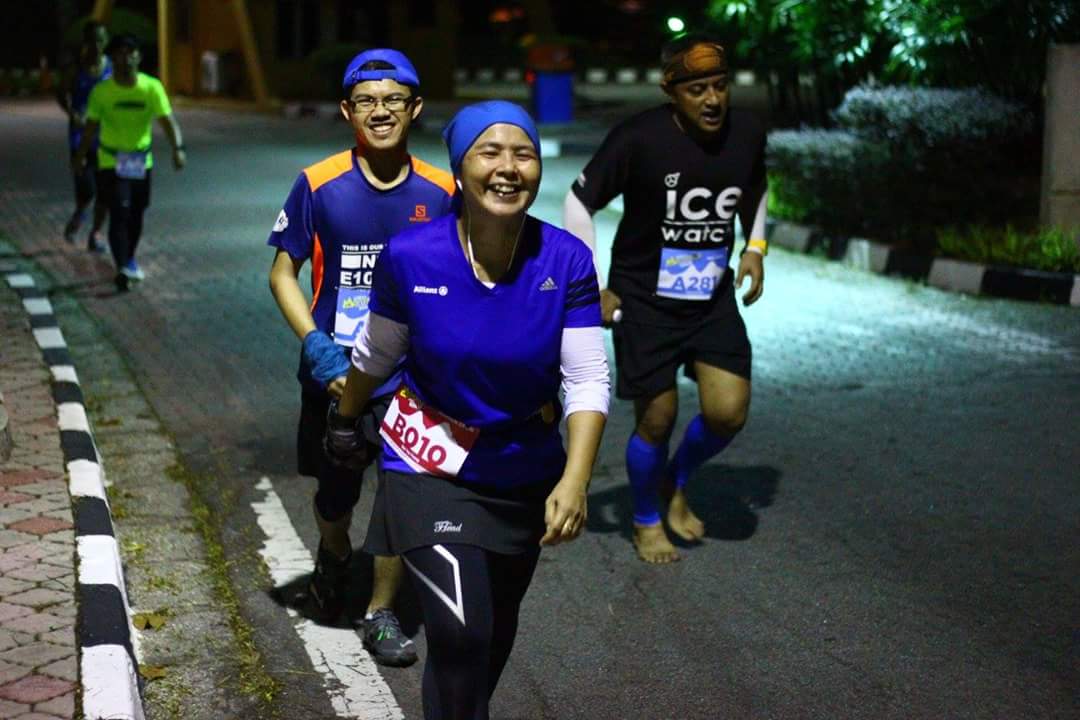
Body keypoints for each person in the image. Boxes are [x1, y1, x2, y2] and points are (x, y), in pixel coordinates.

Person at [326, 101, 609, 719]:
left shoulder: (566, 260)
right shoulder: (411, 254)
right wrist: (345, 418)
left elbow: (587, 377)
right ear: (460, 168)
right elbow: (377, 353)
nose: (508, 168)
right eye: (490, 152)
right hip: (430, 461)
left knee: (491, 636)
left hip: (521, 468)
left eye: (523, 153)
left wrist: (576, 478)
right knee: (460, 632)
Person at [268, 49, 455, 667]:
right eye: (366, 101)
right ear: (347, 111)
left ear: (414, 108)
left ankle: (379, 612)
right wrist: (318, 349)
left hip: (409, 379)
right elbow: (282, 274)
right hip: (335, 377)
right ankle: (335, 554)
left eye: (393, 100)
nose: (380, 111)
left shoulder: (443, 191)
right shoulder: (318, 183)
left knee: (401, 496)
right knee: (335, 499)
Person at [563, 33, 768, 564]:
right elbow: (579, 202)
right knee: (657, 418)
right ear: (670, 92)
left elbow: (755, 185)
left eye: (720, 86)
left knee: (728, 412)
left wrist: (756, 246)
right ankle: (645, 518)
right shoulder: (638, 139)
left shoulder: (746, 132)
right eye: (697, 89)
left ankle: (674, 479)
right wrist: (592, 286)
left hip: (712, 299)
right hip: (643, 301)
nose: (712, 99)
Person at [72, 33, 186, 292]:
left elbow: (168, 121)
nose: (125, 58)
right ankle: (122, 265)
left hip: (140, 161)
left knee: (136, 212)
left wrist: (178, 149)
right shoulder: (102, 92)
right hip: (110, 161)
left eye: (130, 53)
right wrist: (80, 156)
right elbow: (90, 127)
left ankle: (129, 258)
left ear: (139, 57)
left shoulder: (151, 87)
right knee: (119, 210)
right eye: (119, 54)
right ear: (112, 59)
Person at [56, 20, 111, 251]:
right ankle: (80, 213)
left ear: (106, 41)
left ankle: (95, 234)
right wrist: (72, 113)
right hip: (80, 137)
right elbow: (61, 94)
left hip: (107, 136)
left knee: (106, 191)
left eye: (101, 40)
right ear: (85, 42)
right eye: (92, 40)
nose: (97, 45)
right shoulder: (75, 70)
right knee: (87, 189)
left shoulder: (112, 69)